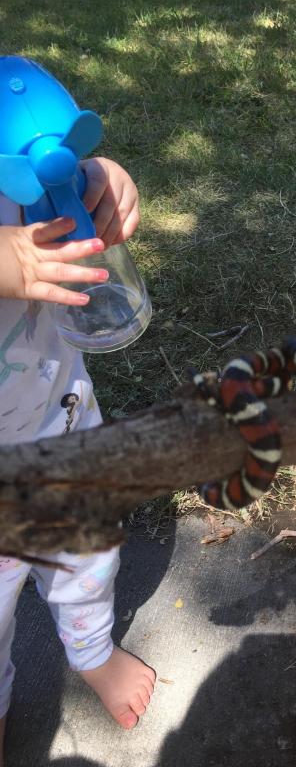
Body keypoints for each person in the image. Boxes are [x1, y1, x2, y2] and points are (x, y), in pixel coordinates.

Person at [0, 157, 156, 763]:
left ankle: (91, 651)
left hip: (58, 427)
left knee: (87, 556)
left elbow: (44, 150)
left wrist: (98, 177)